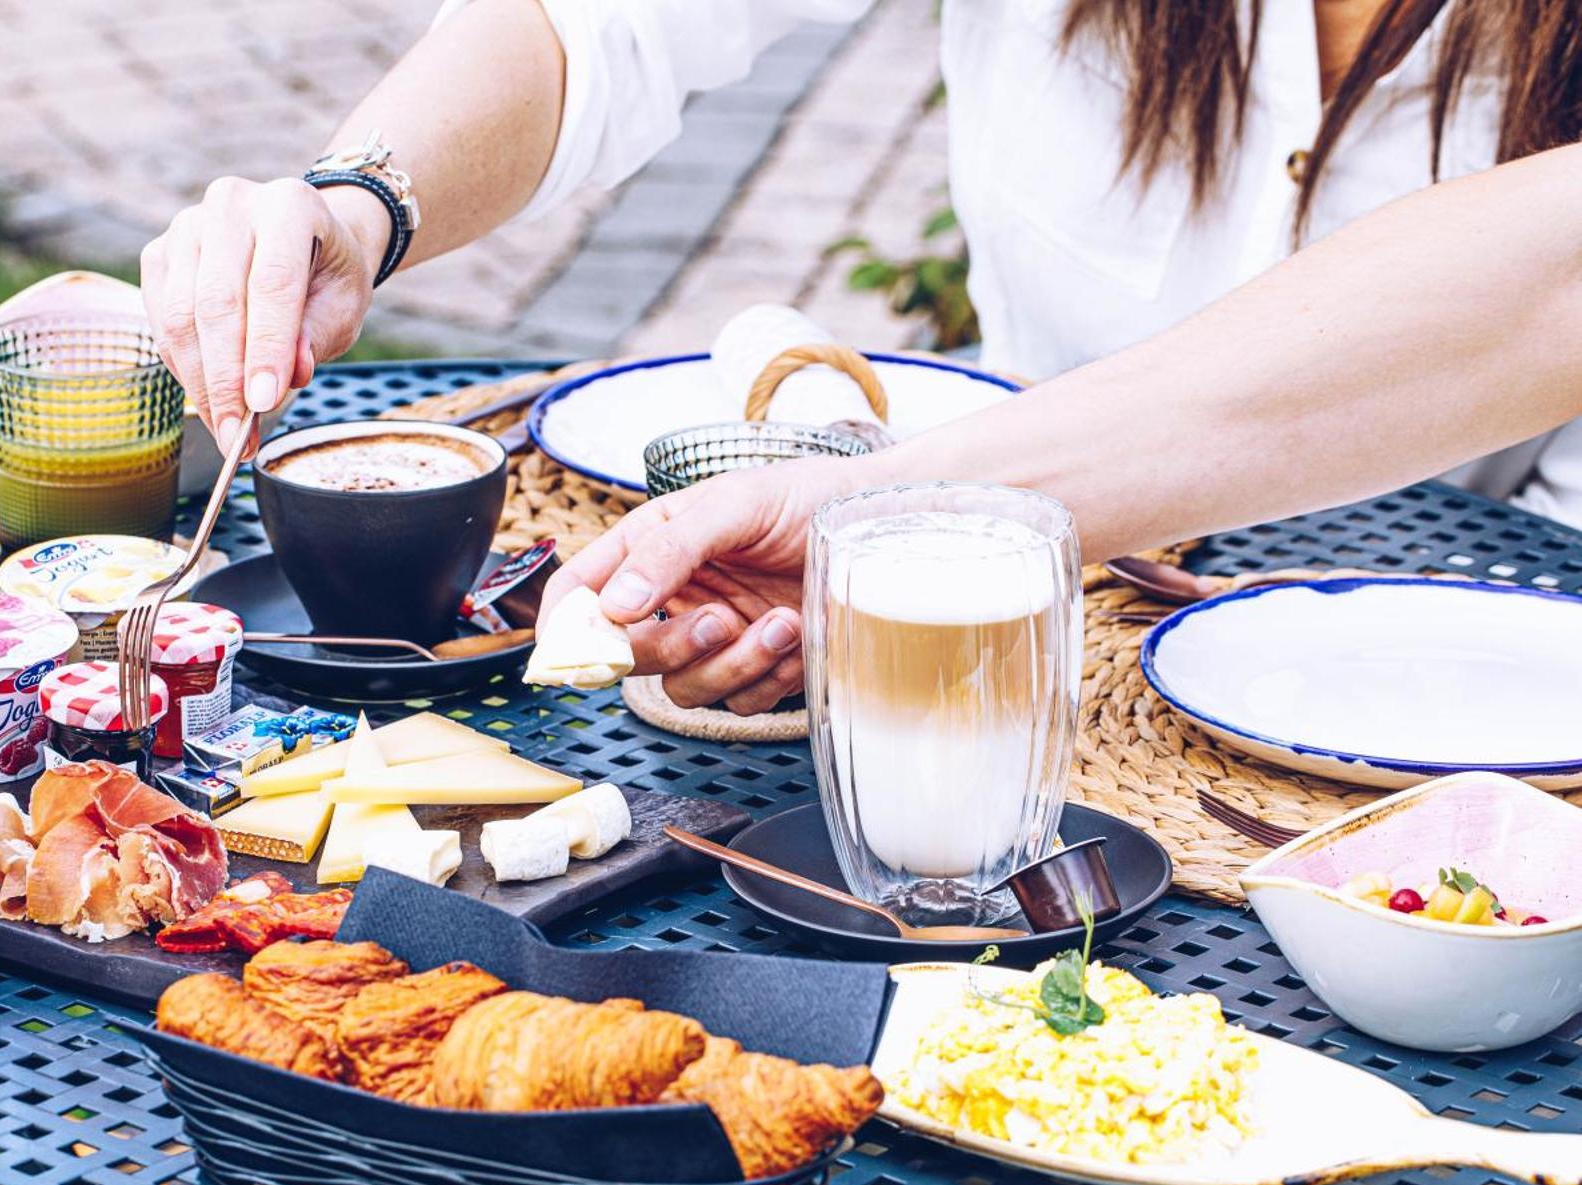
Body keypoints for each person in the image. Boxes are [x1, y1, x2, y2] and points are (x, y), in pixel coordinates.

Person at [138, 1, 1582, 710]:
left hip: (1479, 721)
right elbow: (603, 24)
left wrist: (924, 512)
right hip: (989, 678)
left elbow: (1534, 288)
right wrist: (356, 206)